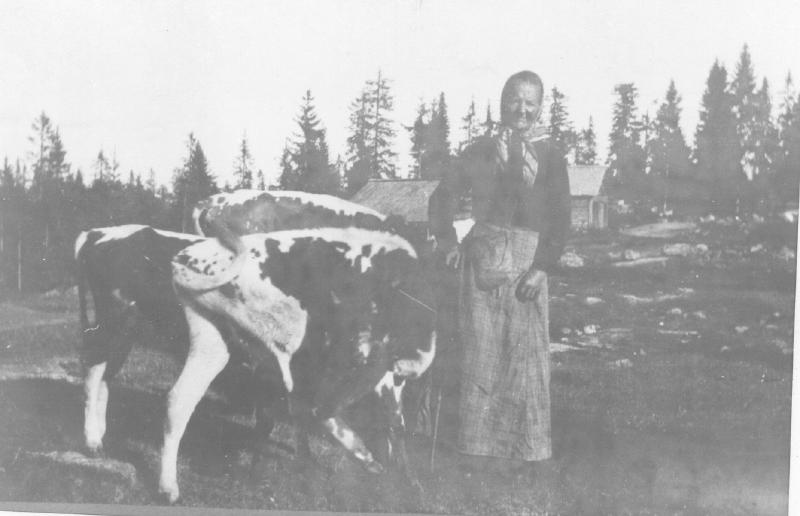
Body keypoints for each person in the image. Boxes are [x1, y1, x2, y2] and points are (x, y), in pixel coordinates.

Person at [428, 70, 570, 478]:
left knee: (526, 360)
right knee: (481, 356)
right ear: (503, 102)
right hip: (483, 265)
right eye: (515, 100)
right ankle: (475, 452)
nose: (522, 109)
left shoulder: (551, 157)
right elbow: (441, 198)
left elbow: (561, 218)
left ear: (539, 108)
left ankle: (526, 452)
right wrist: (448, 243)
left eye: (530, 103)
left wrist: (542, 268)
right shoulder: (480, 151)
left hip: (529, 268)